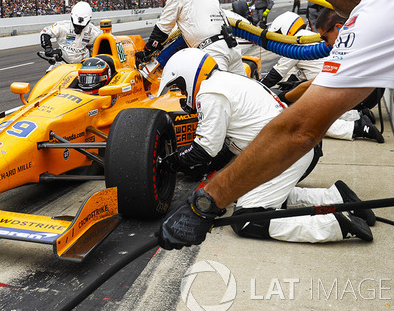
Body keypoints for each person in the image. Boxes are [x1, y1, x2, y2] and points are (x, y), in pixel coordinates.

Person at [157, 0, 394, 250]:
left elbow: (300, 129)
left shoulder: (388, 3)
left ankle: (336, 222)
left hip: (295, 146)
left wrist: (206, 202)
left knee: (247, 216)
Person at [157, 48, 374, 244]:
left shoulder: (210, 93)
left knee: (248, 220)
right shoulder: (227, 82)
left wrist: (168, 163)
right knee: (258, 195)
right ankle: (336, 197)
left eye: (180, 87)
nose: (183, 95)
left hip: (284, 153)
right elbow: (224, 151)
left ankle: (334, 225)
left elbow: (204, 150)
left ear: (187, 74)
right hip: (288, 151)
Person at [260, 11, 383, 143]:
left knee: (297, 114)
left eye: (324, 39)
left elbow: (278, 75)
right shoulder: (340, 42)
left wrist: (273, 95)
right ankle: (356, 115)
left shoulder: (297, 43)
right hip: (367, 94)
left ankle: (356, 127)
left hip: (361, 96)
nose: (324, 45)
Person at [136, 0, 246, 75]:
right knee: (242, 89)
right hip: (232, 47)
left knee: (213, 90)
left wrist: (147, 51)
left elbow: (162, 29)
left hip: (212, 51)